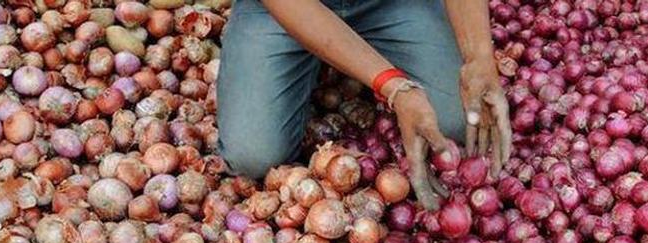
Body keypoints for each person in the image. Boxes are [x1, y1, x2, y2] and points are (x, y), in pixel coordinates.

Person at [217, 0, 512, 210]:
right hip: (282, 10)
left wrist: (479, 59)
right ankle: (331, 58)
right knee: (253, 155)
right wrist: (393, 86)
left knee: (460, 119)